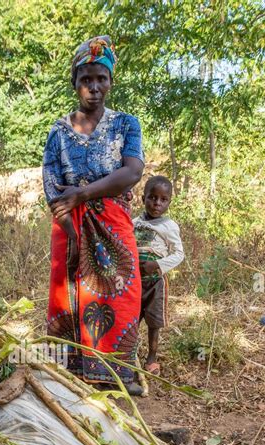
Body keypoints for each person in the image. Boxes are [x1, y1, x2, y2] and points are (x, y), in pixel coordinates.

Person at [42, 35, 144, 394]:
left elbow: (132, 172)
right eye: (86, 79)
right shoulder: (58, 131)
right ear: (75, 84)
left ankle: (116, 373)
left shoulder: (126, 125)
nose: (94, 87)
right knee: (70, 294)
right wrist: (71, 228)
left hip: (112, 222)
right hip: (69, 222)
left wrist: (83, 193)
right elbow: (52, 184)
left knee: (119, 292)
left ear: (111, 82)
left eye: (101, 78)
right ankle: (70, 373)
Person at [133, 176, 185, 375]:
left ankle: (152, 357)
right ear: (143, 198)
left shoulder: (169, 226)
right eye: (152, 198)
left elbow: (178, 254)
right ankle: (130, 352)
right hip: (135, 282)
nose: (157, 203)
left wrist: (156, 265)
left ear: (169, 202)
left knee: (154, 322)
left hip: (155, 282)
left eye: (163, 199)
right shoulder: (134, 223)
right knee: (131, 318)